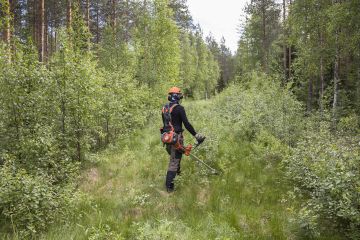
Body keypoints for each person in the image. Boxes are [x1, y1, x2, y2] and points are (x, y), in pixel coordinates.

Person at [161, 87, 205, 192]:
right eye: (180, 95)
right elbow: (187, 124)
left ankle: (178, 177)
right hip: (176, 138)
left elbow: (166, 124)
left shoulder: (164, 108)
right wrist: (196, 135)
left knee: (176, 158)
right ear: (177, 97)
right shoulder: (179, 108)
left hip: (167, 138)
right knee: (174, 162)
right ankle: (169, 189)